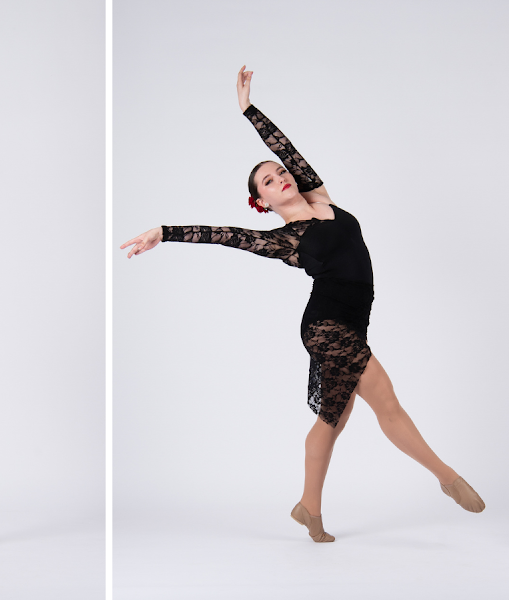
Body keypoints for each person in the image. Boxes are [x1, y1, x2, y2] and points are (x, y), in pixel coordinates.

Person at [120, 65, 484, 543]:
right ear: (262, 202)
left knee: (333, 419)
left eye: (279, 173)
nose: (280, 177)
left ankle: (308, 508)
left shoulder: (321, 197)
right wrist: (164, 232)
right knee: (387, 402)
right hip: (328, 326)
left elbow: (285, 148)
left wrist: (249, 110)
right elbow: (223, 235)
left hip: (354, 321)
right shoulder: (285, 240)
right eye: (268, 182)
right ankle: (448, 479)